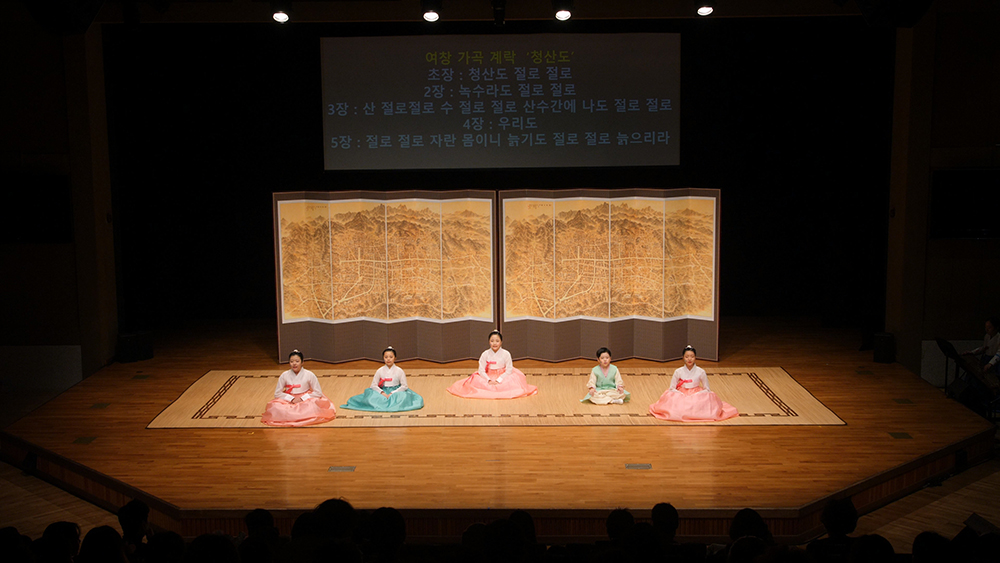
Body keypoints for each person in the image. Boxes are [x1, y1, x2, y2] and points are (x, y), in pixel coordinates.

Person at [649, 345, 738, 421]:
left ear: (695, 357)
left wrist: (696, 395)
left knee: (700, 402)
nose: (689, 359)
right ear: (683, 358)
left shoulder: (701, 371)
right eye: (687, 357)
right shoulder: (678, 371)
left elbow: (707, 389)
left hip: (696, 393)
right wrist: (682, 394)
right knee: (676, 407)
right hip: (681, 393)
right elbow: (672, 388)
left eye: (692, 356)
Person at [446, 330, 538, 399]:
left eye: (497, 341)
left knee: (510, 383)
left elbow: (509, 369)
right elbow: (481, 370)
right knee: (477, 381)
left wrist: (499, 379)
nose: (494, 343)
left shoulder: (506, 353)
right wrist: (488, 379)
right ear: (489, 342)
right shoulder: (485, 354)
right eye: (492, 341)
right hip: (488, 374)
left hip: (503, 375)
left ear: (501, 342)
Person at [261, 350, 336, 426]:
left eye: (297, 361)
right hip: (288, 398)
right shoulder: (284, 375)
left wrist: (303, 398)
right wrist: (291, 398)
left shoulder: (309, 374)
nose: (294, 364)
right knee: (275, 406)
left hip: (306, 398)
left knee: (312, 406)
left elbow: (318, 393)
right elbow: (277, 393)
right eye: (291, 361)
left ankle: (294, 416)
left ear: (302, 362)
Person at [340, 347, 424, 412]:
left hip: (396, 391)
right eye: (386, 357)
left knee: (402, 397)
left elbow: (404, 386)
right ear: (383, 358)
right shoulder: (379, 370)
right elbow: (373, 385)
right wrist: (382, 393)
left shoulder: (399, 371)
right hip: (382, 390)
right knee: (371, 398)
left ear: (395, 358)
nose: (388, 359)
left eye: (391, 357)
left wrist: (392, 393)